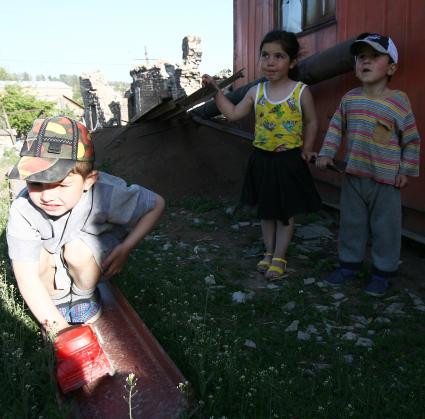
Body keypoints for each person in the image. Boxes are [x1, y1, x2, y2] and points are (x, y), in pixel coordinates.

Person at [7, 115, 165, 333]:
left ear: (88, 181)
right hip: (50, 257)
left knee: (77, 250)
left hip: (84, 254)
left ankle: (84, 296)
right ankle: (58, 300)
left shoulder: (105, 191)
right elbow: (26, 275)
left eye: (61, 185)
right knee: (37, 259)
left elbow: (156, 204)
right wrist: (61, 331)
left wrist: (125, 248)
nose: (47, 196)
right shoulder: (23, 209)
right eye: (36, 183)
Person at [202, 30, 321, 280]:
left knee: (285, 212)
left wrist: (308, 148)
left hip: (289, 161)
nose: (270, 61)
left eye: (279, 56)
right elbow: (233, 113)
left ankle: (280, 256)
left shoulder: (300, 91)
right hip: (262, 159)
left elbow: (311, 122)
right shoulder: (256, 92)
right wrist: (215, 92)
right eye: (265, 55)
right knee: (267, 211)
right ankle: (268, 252)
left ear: (293, 62)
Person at [316, 33, 421, 297]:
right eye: (361, 57)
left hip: (386, 180)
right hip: (354, 176)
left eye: (375, 56)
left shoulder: (399, 101)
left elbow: (411, 140)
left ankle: (382, 273)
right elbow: (335, 128)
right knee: (351, 223)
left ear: (392, 67)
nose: (366, 61)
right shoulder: (350, 99)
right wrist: (326, 152)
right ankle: (348, 266)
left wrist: (406, 171)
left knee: (386, 229)